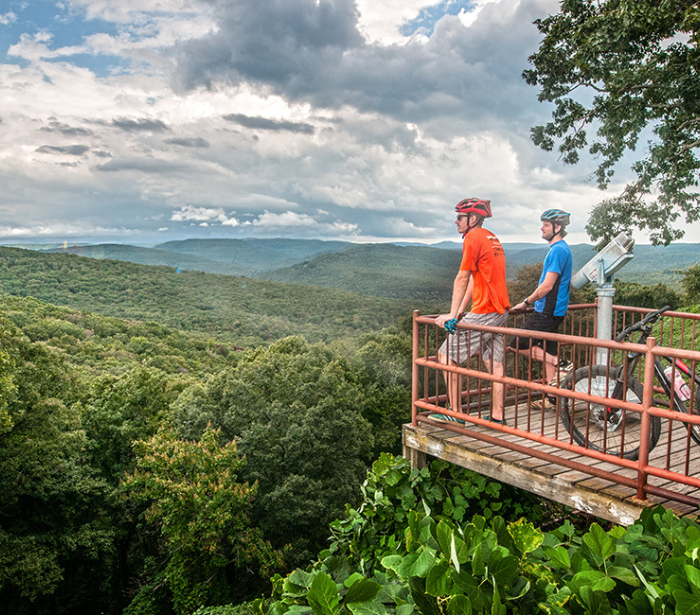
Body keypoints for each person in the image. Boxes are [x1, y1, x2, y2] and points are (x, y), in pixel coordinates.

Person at [433, 197, 510, 424]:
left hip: (486, 310)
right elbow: (474, 282)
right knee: (494, 363)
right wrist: (458, 313)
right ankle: (497, 416)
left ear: (472, 219)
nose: (456, 221)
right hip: (500, 309)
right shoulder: (491, 237)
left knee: (445, 355)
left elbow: (462, 277)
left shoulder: (472, 238)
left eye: (460, 217)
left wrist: (450, 313)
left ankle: (454, 412)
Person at [509, 209, 574, 410]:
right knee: (546, 350)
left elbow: (547, 286)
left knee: (515, 344)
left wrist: (525, 302)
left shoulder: (557, 250)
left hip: (547, 310)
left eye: (545, 225)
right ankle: (554, 399)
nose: (542, 228)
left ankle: (562, 364)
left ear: (558, 227)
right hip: (555, 310)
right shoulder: (562, 249)